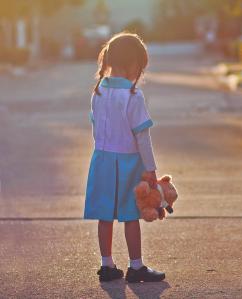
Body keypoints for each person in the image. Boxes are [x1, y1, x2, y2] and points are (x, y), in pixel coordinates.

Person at [84, 32, 165, 283]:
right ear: (133, 64)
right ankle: (136, 266)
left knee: (104, 214)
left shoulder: (98, 91)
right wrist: (150, 169)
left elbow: (96, 127)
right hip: (129, 162)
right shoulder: (133, 95)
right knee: (131, 215)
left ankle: (106, 265)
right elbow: (142, 136)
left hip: (102, 160)